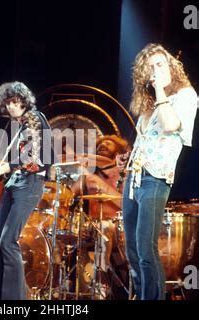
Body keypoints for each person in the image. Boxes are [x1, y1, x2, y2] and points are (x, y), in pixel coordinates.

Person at [122, 43, 198, 300]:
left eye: (159, 65)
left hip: (155, 178)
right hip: (134, 176)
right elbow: (146, 138)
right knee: (132, 249)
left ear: (170, 67)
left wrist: (158, 90)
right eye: (149, 68)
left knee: (145, 248)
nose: (155, 71)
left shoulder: (185, 96)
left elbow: (170, 125)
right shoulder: (152, 102)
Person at [0, 81, 52, 300]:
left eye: (15, 101)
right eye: (7, 103)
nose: (11, 106)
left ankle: (14, 300)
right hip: (16, 181)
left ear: (24, 100)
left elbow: (31, 158)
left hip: (30, 184)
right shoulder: (20, 125)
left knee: (7, 240)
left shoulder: (34, 119)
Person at [71, 135, 129, 273]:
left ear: (118, 152)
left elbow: (126, 205)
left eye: (108, 144)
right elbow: (68, 197)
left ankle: (99, 280)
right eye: (99, 145)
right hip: (92, 226)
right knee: (56, 234)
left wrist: (99, 183)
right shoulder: (88, 176)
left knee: (104, 226)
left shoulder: (125, 174)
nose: (102, 145)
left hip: (119, 228)